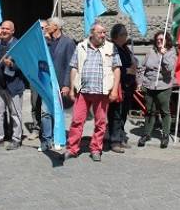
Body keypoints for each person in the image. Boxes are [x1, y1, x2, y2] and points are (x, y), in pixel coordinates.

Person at [64, 22, 121, 162]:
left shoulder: (111, 47)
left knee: (100, 123)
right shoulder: (81, 46)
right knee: (77, 121)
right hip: (83, 91)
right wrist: (72, 88)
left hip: (102, 92)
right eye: (100, 32)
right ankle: (72, 148)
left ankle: (96, 148)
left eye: (104, 32)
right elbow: (74, 68)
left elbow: (116, 69)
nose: (103, 35)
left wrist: (114, 90)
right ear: (92, 33)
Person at [0, 20, 25, 150]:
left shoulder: (18, 45)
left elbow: (24, 65)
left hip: (13, 86)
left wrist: (12, 65)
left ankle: (16, 139)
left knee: (15, 114)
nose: (4, 31)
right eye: (2, 28)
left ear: (13, 31)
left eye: (7, 29)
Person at [41, 16, 75, 152]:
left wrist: (67, 84)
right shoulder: (45, 41)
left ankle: (58, 138)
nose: (46, 27)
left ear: (56, 27)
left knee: (59, 112)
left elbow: (71, 65)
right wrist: (46, 42)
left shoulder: (68, 42)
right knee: (45, 112)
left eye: (49, 24)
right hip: (47, 83)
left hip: (61, 83)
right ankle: (46, 140)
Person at [138, 31, 176, 149]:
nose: (159, 41)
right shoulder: (151, 51)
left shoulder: (171, 51)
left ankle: (165, 135)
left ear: (166, 40)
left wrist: (163, 55)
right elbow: (142, 67)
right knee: (149, 110)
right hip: (149, 85)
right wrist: (140, 82)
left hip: (163, 86)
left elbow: (170, 68)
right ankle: (146, 134)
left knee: (165, 111)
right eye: (158, 39)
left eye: (162, 39)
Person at [107, 23, 137, 153]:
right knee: (116, 115)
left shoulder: (125, 48)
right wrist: (128, 70)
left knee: (123, 114)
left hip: (128, 87)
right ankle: (114, 141)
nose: (126, 36)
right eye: (124, 34)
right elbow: (111, 67)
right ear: (117, 36)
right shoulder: (112, 48)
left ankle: (120, 137)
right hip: (117, 87)